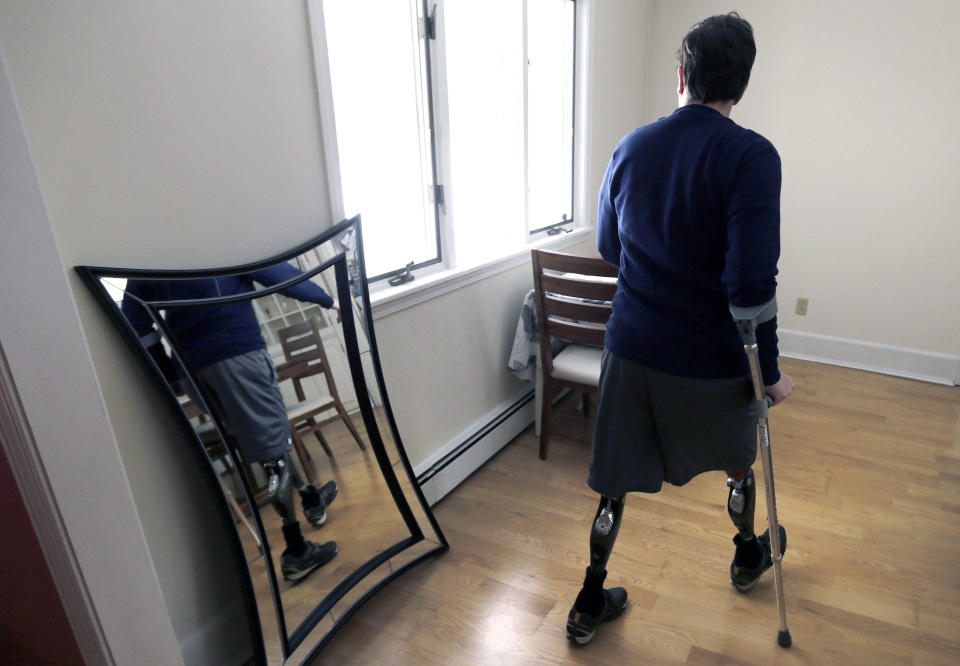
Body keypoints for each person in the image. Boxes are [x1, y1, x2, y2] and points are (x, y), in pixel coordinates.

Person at [566, 13, 795, 644]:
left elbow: (611, 247)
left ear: (680, 76)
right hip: (713, 362)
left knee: (612, 487)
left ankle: (589, 597)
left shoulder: (632, 146)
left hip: (632, 350)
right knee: (738, 467)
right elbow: (752, 287)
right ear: (740, 88)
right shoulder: (752, 156)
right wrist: (769, 376)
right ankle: (748, 553)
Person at [122, 262, 344, 583]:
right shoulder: (217, 235)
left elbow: (134, 319)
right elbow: (275, 272)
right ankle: (297, 552)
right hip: (236, 354)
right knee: (272, 446)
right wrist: (327, 299)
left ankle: (310, 496)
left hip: (191, 371)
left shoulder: (146, 256)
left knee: (267, 441)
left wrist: (169, 370)